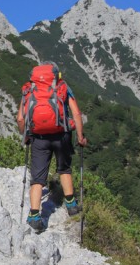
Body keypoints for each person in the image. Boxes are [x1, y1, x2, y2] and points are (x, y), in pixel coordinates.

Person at [16, 62, 87, 232]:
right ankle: (71, 205)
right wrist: (80, 137)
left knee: (38, 178)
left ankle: (34, 215)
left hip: (39, 138)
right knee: (64, 169)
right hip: (61, 134)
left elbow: (20, 118)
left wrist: (26, 136)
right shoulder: (62, 87)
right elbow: (76, 113)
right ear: (56, 76)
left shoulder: (29, 90)